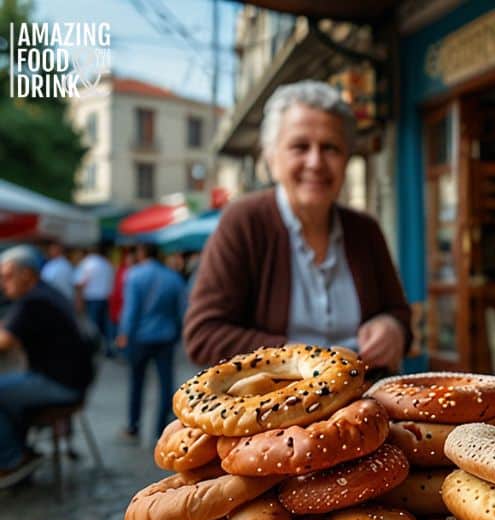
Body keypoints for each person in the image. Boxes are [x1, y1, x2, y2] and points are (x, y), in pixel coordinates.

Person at [183, 80, 411, 373]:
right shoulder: (243, 221)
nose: (315, 162)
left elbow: (400, 314)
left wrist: (392, 328)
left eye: (330, 148)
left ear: (346, 159)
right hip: (270, 411)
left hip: (363, 407)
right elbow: (203, 336)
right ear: (271, 157)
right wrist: (296, 359)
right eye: (300, 146)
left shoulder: (365, 229)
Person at [0, 245, 93, 488]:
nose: (3, 282)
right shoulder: (44, 293)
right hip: (70, 379)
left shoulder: (33, 300)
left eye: (7, 276)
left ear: (27, 274)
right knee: (9, 392)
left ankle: (14, 459)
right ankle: (20, 455)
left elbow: (5, 341)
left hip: (61, 384)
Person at [116, 244, 187, 441]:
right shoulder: (173, 277)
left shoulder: (135, 275)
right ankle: (162, 429)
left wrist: (124, 333)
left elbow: (131, 309)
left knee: (137, 382)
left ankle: (133, 425)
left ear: (141, 253)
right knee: (166, 383)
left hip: (140, 337)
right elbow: (183, 309)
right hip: (166, 337)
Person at [73, 244, 115, 353]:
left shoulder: (87, 263)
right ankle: (108, 348)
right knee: (105, 325)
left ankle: (94, 348)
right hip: (105, 298)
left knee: (93, 325)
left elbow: (79, 283)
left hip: (91, 298)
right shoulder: (106, 264)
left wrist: (78, 300)